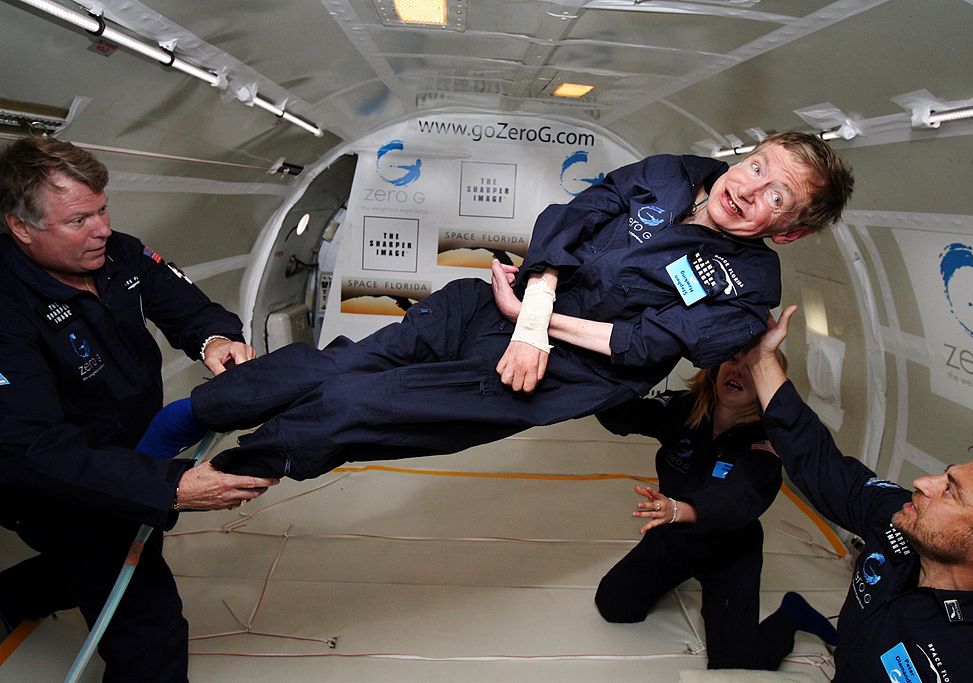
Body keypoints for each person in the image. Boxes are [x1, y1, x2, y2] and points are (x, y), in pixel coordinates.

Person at [185, 131, 853, 480]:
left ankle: (226, 474)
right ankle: (195, 416)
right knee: (339, 368)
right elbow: (576, 213)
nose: (752, 188)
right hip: (491, 306)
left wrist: (536, 330)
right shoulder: (674, 172)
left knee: (361, 405)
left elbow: (646, 345)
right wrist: (530, 305)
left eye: (777, 198)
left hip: (549, 372)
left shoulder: (749, 285)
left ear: (788, 230)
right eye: (760, 165)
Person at [0, 136, 278, 682]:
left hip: (129, 449)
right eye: (79, 219)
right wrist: (167, 486)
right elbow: (32, 450)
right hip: (54, 482)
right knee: (148, 630)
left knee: (104, 555)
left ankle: (14, 592)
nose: (101, 227)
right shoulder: (7, 306)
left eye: (103, 208)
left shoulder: (119, 253)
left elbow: (190, 309)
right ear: (20, 227)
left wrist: (215, 341)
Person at [744, 305, 973, 681]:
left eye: (951, 493)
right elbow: (820, 464)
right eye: (946, 475)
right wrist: (762, 358)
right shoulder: (901, 521)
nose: (924, 483)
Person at [594, 354, 839, 669]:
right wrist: (596, 381)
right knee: (614, 605)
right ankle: (676, 572)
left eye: (751, 368)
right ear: (717, 367)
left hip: (729, 549)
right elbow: (626, 415)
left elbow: (740, 498)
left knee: (735, 662)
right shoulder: (685, 408)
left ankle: (792, 615)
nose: (737, 369)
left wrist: (679, 509)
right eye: (733, 360)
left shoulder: (766, 438)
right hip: (676, 535)